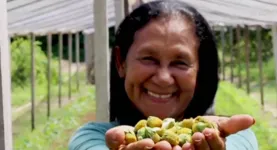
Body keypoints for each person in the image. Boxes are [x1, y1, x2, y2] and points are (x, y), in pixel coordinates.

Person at [68, 1, 258, 150]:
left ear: (200, 70)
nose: (163, 78)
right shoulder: (90, 138)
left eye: (180, 62)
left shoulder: (235, 136)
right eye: (149, 58)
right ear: (121, 62)